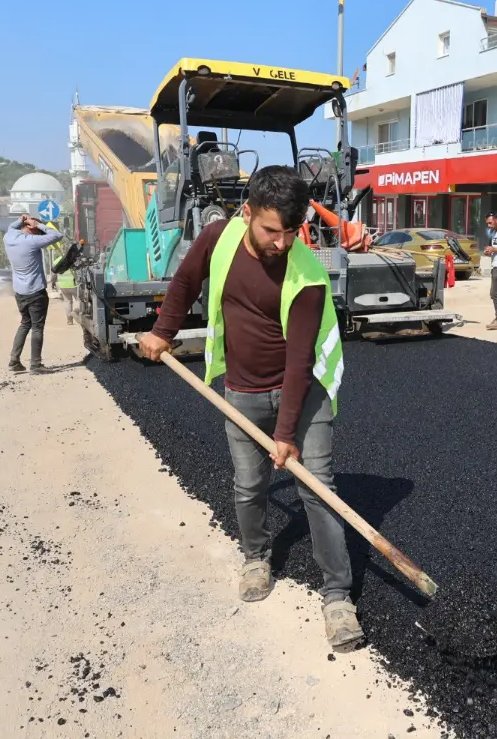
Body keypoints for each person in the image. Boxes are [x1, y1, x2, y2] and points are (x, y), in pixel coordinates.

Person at [138, 165, 363, 651]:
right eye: (270, 231)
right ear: (247, 214)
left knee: (317, 488)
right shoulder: (219, 238)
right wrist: (162, 332)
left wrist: (286, 435)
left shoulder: (307, 273)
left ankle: (338, 597)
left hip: (306, 391)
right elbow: (184, 282)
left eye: (291, 232)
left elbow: (301, 361)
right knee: (249, 482)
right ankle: (257, 557)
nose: (281, 243)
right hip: (241, 388)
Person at [3, 214, 63, 373]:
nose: (41, 235)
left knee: (25, 324)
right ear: (33, 229)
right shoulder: (32, 242)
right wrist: (39, 225)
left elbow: (12, 226)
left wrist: (22, 220)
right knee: (37, 327)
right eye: (39, 232)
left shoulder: (8, 237)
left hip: (20, 292)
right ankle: (36, 365)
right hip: (36, 292)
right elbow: (57, 235)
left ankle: (14, 361)